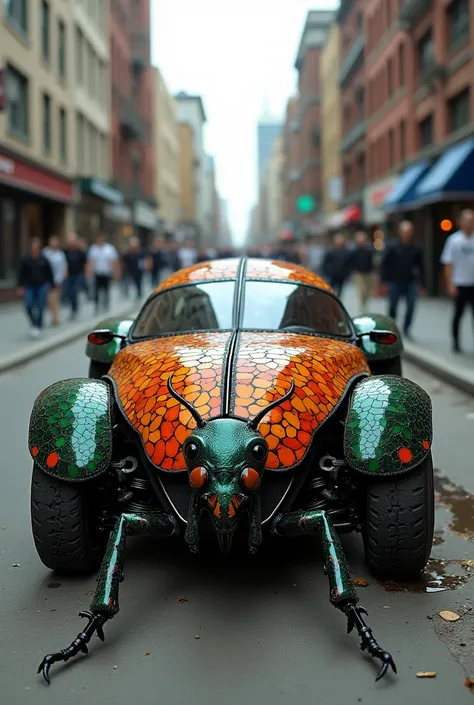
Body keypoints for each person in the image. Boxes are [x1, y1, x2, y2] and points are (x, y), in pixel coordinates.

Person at [380, 220, 424, 339]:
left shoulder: (416, 247)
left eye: (409, 231)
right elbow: (384, 264)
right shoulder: (392, 246)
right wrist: (383, 282)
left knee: (411, 306)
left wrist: (422, 285)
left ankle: (406, 329)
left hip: (410, 281)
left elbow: (421, 266)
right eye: (404, 231)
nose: (407, 234)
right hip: (394, 281)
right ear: (400, 232)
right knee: (393, 305)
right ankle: (391, 328)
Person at [440, 209, 474, 353]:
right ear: (461, 222)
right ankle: (455, 342)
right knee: (458, 314)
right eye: (467, 221)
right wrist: (450, 284)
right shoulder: (454, 240)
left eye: (471, 221)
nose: (469, 224)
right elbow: (448, 263)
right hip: (460, 283)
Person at [17, 238, 54, 337]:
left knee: (41, 306)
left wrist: (51, 284)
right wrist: (20, 286)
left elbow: (49, 273)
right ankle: (34, 323)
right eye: (33, 247)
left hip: (42, 285)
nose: (35, 249)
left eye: (36, 247)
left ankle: (38, 325)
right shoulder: (25, 259)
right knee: (28, 305)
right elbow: (21, 273)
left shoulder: (44, 259)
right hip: (29, 286)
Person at [86, 234, 119, 313]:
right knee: (96, 290)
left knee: (106, 290)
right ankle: (97, 306)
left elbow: (114, 261)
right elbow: (90, 261)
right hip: (97, 273)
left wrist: (115, 272)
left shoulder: (109, 249)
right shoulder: (93, 249)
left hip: (106, 273)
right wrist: (89, 271)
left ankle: (106, 304)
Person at [43, 235, 68, 326]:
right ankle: (54, 316)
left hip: (57, 280)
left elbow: (64, 267)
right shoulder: (45, 252)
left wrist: (62, 278)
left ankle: (56, 318)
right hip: (47, 280)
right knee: (49, 301)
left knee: (55, 299)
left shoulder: (60, 254)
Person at [349, 231, 375, 312]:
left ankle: (365, 304)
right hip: (359, 274)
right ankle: (363, 307)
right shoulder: (354, 251)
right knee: (362, 290)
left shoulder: (369, 250)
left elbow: (372, 262)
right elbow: (351, 262)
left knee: (367, 291)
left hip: (368, 273)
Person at [63, 232, 87, 319]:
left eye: (72, 240)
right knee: (69, 293)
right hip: (69, 275)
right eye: (70, 241)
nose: (71, 242)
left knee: (74, 292)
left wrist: (86, 273)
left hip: (78, 275)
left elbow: (85, 262)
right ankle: (73, 309)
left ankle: (75, 309)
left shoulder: (80, 252)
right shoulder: (65, 252)